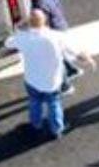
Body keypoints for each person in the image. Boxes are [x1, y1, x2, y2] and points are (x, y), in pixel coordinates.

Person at [7, 9, 93, 139]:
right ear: (45, 21)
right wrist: (88, 59)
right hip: (52, 81)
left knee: (34, 102)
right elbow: (75, 51)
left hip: (32, 80)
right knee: (54, 104)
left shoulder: (23, 38)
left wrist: (20, 26)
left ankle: (35, 125)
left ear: (29, 22)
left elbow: (8, 43)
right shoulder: (56, 37)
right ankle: (56, 130)